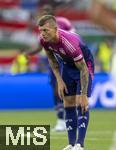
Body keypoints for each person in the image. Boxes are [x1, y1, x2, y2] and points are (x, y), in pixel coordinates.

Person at [37, 15, 94, 150]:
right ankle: (71, 143)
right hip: (67, 66)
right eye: (41, 30)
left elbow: (83, 69)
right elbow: (51, 59)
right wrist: (59, 80)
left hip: (84, 66)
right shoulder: (44, 41)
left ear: (55, 29)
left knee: (81, 103)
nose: (42, 34)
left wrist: (84, 94)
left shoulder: (69, 43)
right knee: (67, 101)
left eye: (46, 30)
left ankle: (80, 144)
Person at [27, 4, 76, 132]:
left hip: (65, 61)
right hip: (52, 62)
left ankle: (69, 119)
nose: (45, 13)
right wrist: (30, 53)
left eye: (47, 11)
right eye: (43, 12)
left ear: (53, 13)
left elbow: (74, 39)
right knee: (56, 90)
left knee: (63, 89)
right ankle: (61, 121)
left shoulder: (63, 23)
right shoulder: (42, 28)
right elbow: (41, 45)